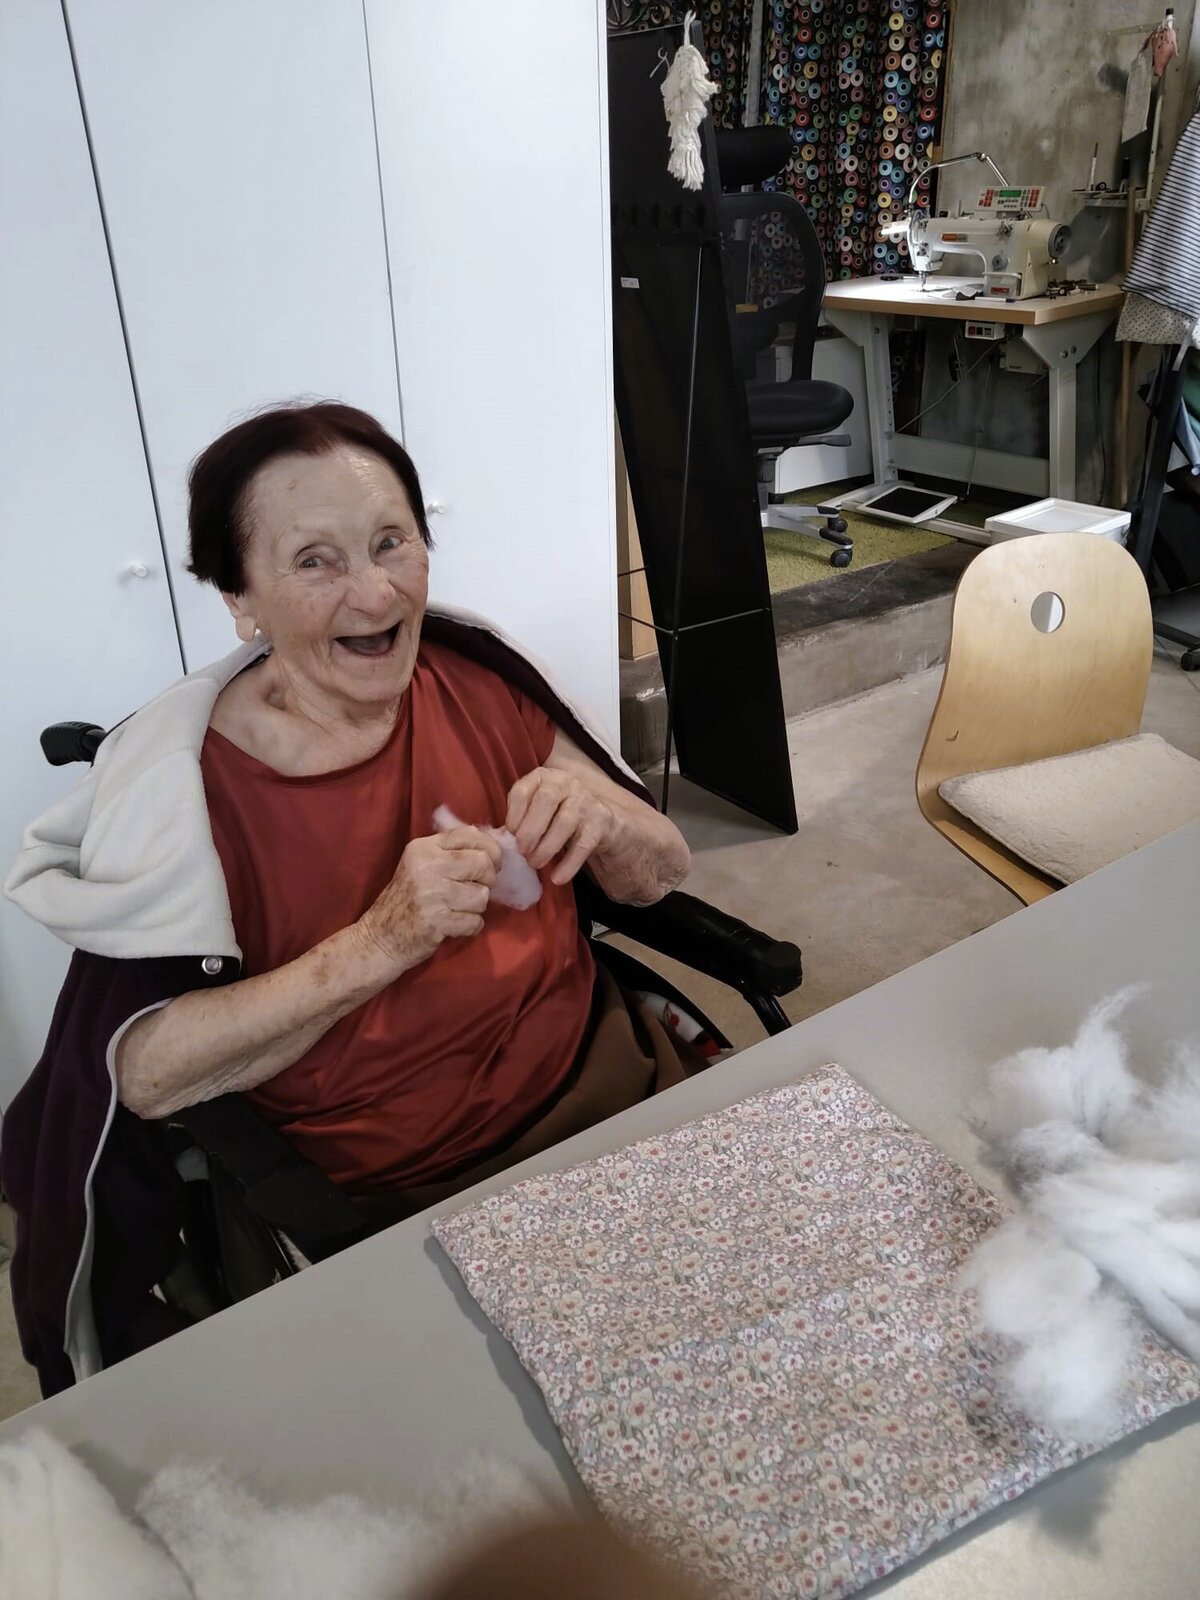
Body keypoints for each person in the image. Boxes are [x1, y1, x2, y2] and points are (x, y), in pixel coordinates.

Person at [2, 402, 692, 1394]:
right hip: (411, 1195)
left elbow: (663, 870)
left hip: (618, 1091)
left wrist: (607, 824)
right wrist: (384, 940)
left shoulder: (477, 683)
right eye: (315, 561)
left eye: (390, 542)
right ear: (241, 599)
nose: (374, 592)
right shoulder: (187, 794)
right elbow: (146, 1074)